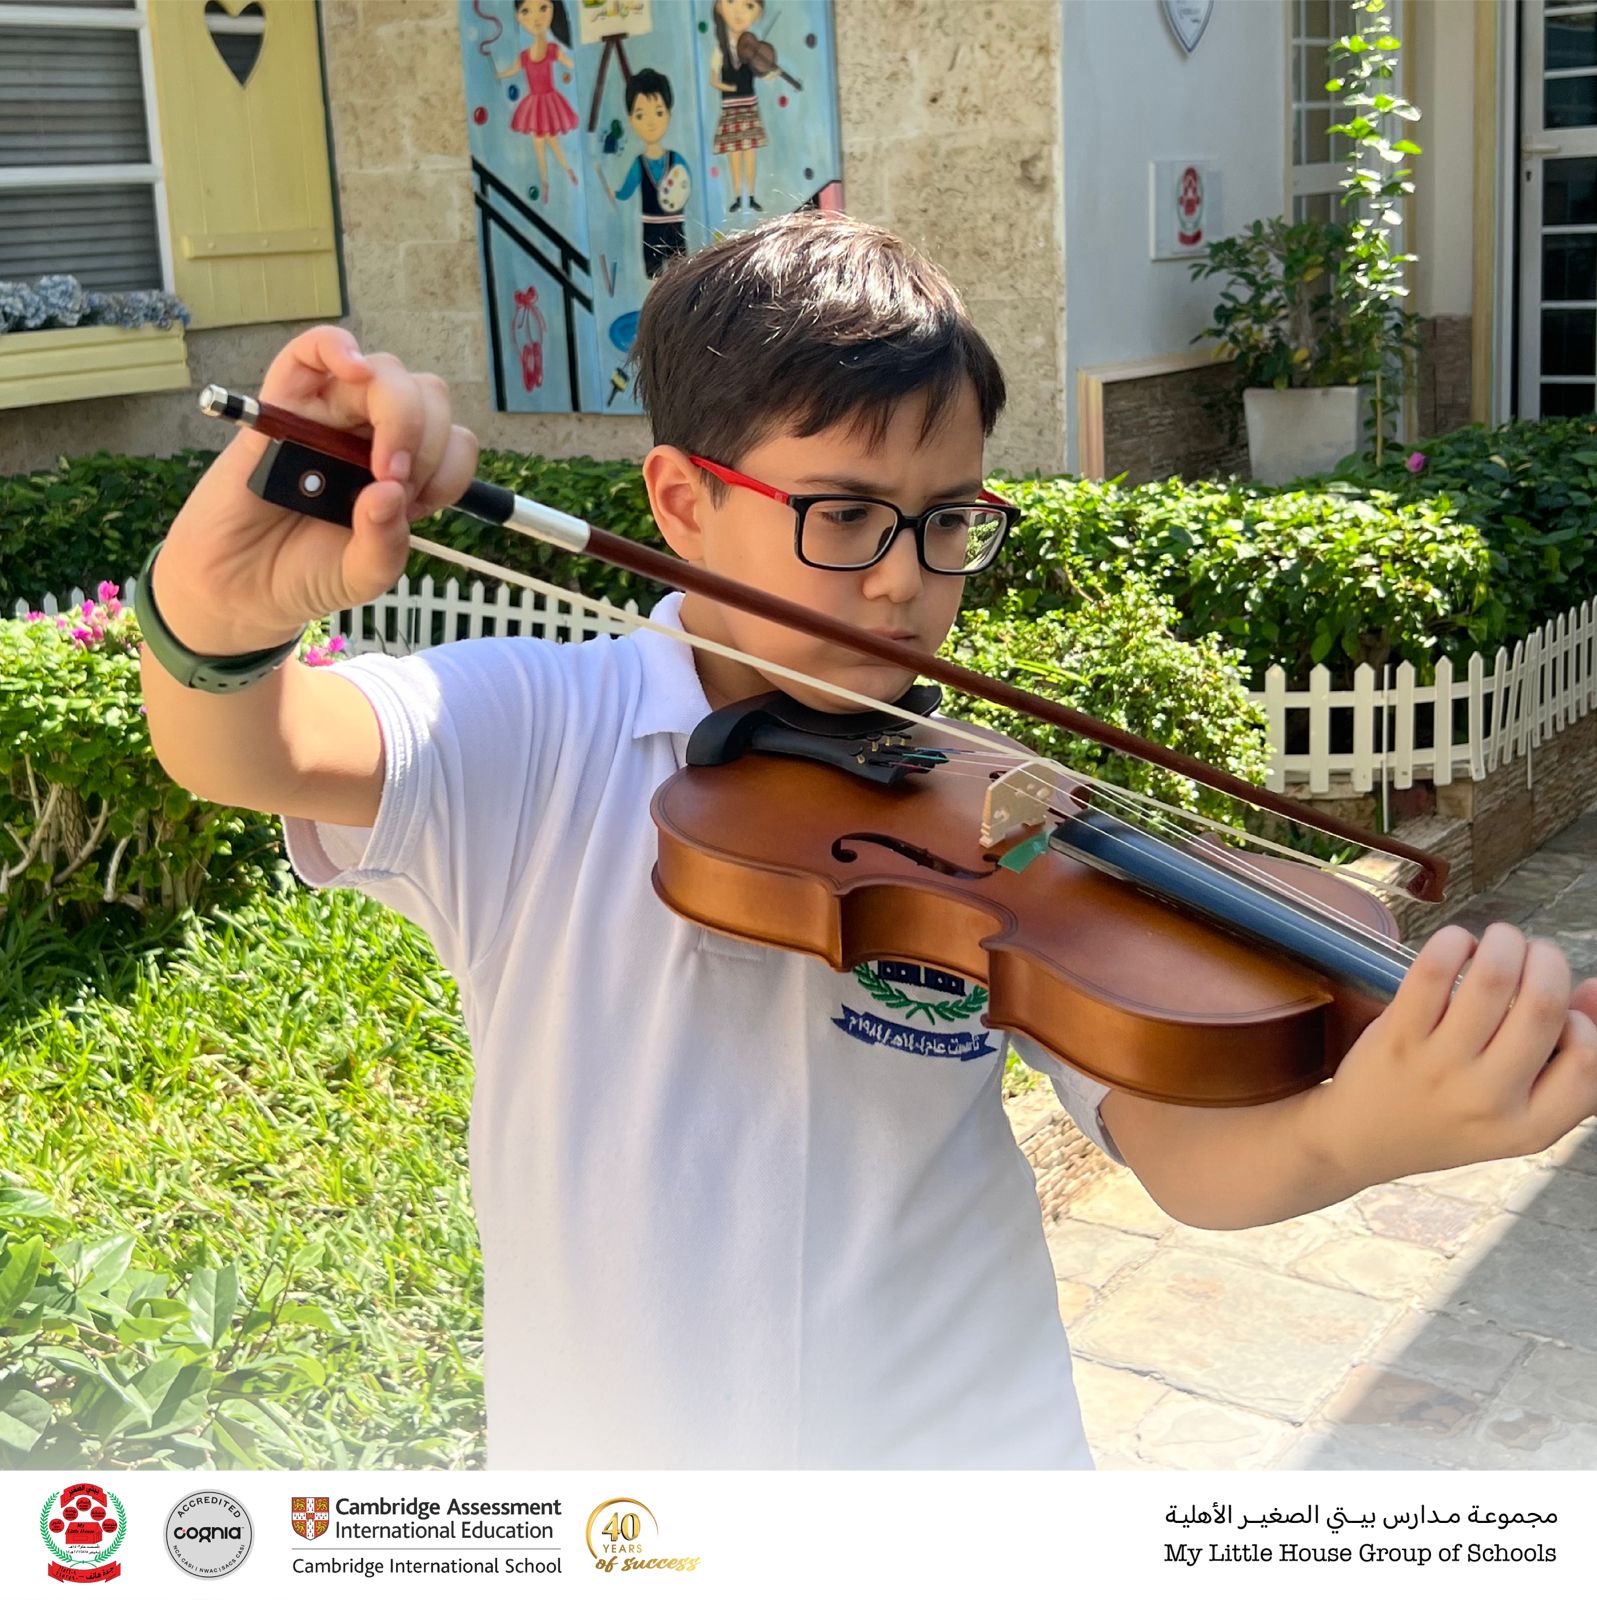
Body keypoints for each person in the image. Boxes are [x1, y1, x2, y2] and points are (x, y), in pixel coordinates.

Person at [138, 212, 1597, 1470]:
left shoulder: (993, 808)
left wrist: (1357, 1131)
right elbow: (248, 747)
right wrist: (217, 612)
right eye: (842, 514)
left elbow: (1181, 1154)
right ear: (683, 503)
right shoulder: (532, 730)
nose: (905, 584)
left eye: (946, 518)